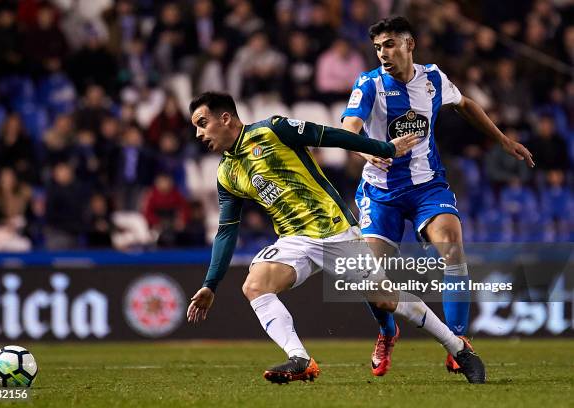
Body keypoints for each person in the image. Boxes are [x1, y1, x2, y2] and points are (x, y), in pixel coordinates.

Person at [186, 92, 485, 384]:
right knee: (254, 285)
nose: (199, 133)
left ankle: (457, 347)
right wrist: (210, 285)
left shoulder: (273, 130)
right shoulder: (226, 172)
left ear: (225, 118)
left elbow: (330, 136)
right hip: (293, 240)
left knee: (385, 300)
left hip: (334, 230)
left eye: (202, 123)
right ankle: (300, 359)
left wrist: (384, 148)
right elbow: (227, 230)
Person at [341, 16, 534, 377]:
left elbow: (465, 104)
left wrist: (503, 140)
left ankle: (458, 344)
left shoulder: (433, 78)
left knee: (452, 246)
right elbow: (348, 127)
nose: (383, 53)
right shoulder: (368, 85)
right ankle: (387, 332)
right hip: (381, 192)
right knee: (370, 277)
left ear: (409, 44)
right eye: (378, 47)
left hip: (427, 185)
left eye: (390, 44)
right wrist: (367, 150)